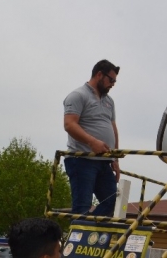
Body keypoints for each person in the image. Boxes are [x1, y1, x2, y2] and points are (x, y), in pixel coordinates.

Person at [63, 59, 121, 216]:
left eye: (115, 81)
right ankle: (80, 231)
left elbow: (113, 129)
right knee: (82, 206)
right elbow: (69, 124)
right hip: (82, 159)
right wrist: (92, 142)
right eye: (111, 80)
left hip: (104, 162)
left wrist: (115, 158)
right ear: (99, 75)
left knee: (113, 203)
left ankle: (89, 229)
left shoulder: (109, 101)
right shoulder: (78, 95)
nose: (113, 84)